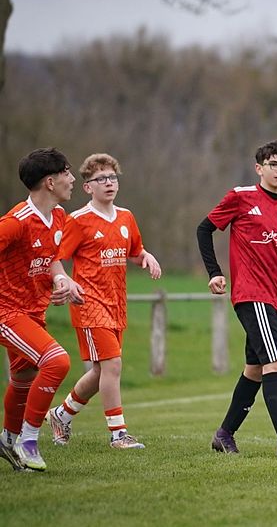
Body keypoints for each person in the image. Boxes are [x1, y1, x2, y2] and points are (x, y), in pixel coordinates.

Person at [196, 139, 277, 458]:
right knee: (274, 363)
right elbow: (204, 229)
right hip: (251, 294)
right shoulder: (241, 197)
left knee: (255, 369)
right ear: (259, 168)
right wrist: (214, 272)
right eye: (274, 164)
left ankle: (224, 435)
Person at [45, 153, 162, 450]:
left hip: (116, 304)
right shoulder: (78, 220)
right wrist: (65, 281)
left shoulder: (126, 217)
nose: (109, 183)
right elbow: (56, 259)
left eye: (112, 177)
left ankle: (61, 415)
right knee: (112, 365)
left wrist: (146, 257)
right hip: (89, 304)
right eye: (101, 179)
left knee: (101, 372)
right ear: (88, 187)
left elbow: (134, 252)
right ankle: (118, 434)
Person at [0, 147, 84, 472]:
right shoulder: (16, 223)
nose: (72, 179)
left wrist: (63, 280)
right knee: (57, 361)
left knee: (24, 378)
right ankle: (28, 440)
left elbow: (51, 260)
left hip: (33, 312)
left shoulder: (59, 217)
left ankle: (7, 439)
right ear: (50, 181)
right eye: (67, 172)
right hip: (7, 312)